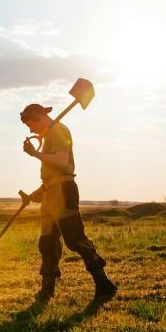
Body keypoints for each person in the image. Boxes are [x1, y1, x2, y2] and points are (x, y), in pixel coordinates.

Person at [20, 103, 117, 301]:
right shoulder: (49, 134)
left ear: (39, 117)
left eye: (30, 125)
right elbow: (52, 172)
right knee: (47, 242)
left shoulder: (59, 130)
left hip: (64, 191)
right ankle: (47, 289)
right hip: (50, 191)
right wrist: (39, 192)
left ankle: (104, 284)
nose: (30, 131)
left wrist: (35, 154)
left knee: (75, 239)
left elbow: (62, 162)